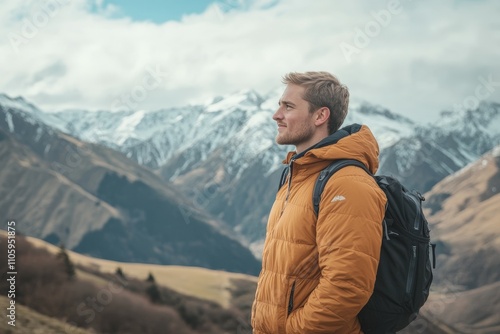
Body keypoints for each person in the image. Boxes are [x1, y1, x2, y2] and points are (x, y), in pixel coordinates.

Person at [251, 71, 387, 334]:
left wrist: (293, 330)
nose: (276, 115)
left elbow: (347, 287)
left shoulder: (347, 184)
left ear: (320, 116)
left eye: (288, 106)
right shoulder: (299, 176)